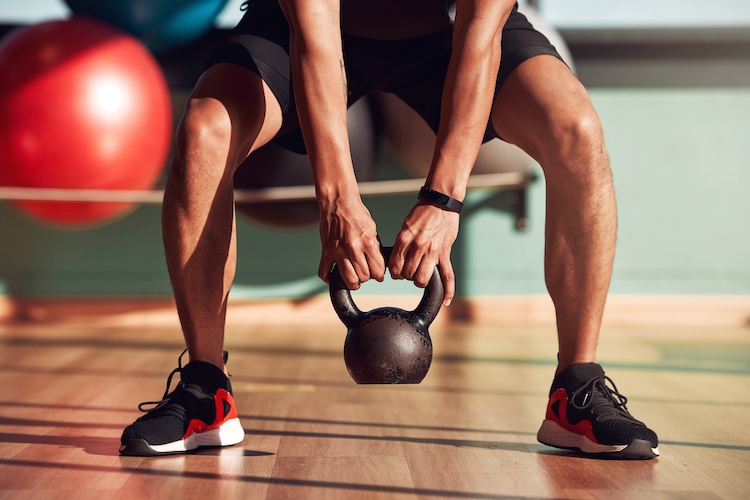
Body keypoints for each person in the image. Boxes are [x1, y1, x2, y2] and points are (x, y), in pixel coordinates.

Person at [119, 0, 659, 459]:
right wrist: (338, 199)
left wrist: (444, 201)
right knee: (204, 131)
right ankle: (206, 391)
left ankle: (576, 390)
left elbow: (479, 40)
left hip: (449, 31)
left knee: (576, 130)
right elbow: (315, 40)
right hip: (301, 32)